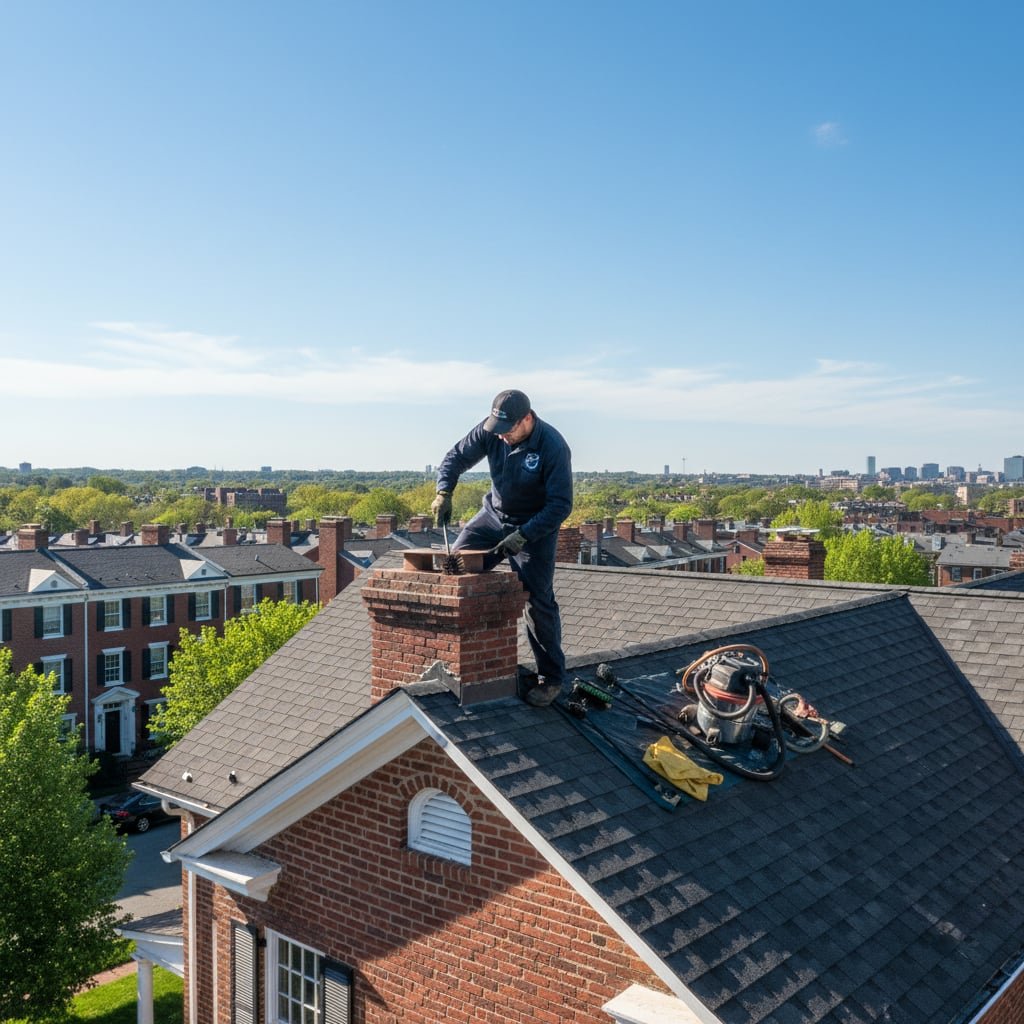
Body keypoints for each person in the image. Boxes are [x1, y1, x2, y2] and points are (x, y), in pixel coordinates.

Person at [432, 389, 573, 706]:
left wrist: (524, 535)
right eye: (498, 430)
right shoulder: (491, 430)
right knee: (456, 566)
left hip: (535, 527)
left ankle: (551, 678)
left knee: (537, 600)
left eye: (508, 431)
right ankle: (460, 659)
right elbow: (455, 457)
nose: (503, 437)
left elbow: (560, 506)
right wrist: (444, 491)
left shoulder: (552, 446)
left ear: (527, 419)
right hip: (493, 518)